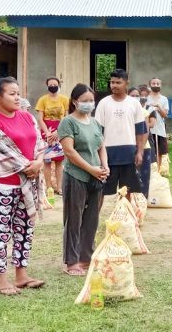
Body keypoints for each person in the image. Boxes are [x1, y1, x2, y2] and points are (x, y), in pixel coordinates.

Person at [0, 77, 47, 296]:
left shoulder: (27, 117)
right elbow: (5, 154)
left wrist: (39, 162)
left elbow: (39, 144)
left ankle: (22, 275)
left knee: (25, 228)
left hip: (28, 182)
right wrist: (30, 166)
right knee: (1, 231)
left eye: (18, 93)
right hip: (3, 186)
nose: (17, 97)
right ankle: (0, 280)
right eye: (12, 94)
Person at [57, 83, 108, 276]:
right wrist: (90, 169)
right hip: (76, 175)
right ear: (74, 102)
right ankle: (71, 261)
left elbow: (101, 147)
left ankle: (87, 257)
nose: (89, 104)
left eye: (91, 101)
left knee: (92, 218)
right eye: (84, 101)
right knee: (74, 219)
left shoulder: (94, 123)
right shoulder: (67, 123)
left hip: (97, 176)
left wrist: (104, 166)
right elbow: (69, 151)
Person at [94, 69, 148, 202]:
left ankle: (125, 219)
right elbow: (97, 131)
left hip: (128, 153)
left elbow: (140, 131)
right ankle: (93, 220)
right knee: (101, 190)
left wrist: (140, 152)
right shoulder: (103, 103)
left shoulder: (134, 104)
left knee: (126, 190)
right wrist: (97, 154)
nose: (114, 85)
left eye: (118, 82)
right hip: (107, 154)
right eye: (112, 82)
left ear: (126, 83)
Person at [35, 77, 69, 194]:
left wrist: (58, 131)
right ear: (47, 86)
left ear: (59, 85)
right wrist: (48, 133)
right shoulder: (42, 100)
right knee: (47, 161)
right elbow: (40, 118)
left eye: (55, 84)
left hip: (61, 130)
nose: (53, 86)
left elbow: (66, 117)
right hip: (46, 131)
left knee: (59, 161)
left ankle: (59, 187)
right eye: (50, 84)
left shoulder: (65, 99)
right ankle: (49, 187)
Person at [131, 87, 155, 194]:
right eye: (132, 95)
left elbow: (146, 132)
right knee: (130, 177)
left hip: (143, 148)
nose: (135, 98)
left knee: (144, 177)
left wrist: (140, 149)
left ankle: (142, 202)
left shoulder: (144, 112)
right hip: (128, 147)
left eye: (137, 95)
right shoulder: (125, 111)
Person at [145, 78, 170, 165]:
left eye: (157, 83)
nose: (155, 85)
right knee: (149, 150)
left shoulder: (164, 99)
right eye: (153, 83)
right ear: (150, 85)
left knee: (159, 151)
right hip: (148, 129)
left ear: (160, 85)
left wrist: (158, 107)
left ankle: (159, 170)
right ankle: (150, 171)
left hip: (160, 129)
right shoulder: (146, 98)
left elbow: (165, 115)